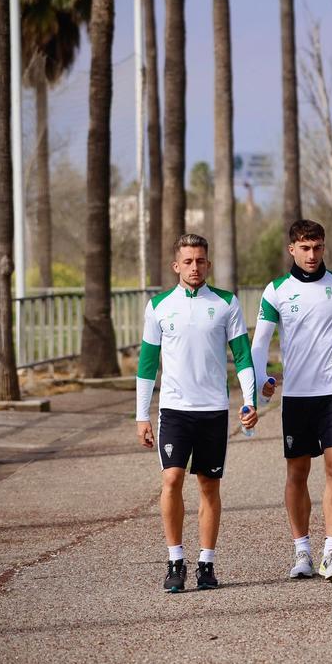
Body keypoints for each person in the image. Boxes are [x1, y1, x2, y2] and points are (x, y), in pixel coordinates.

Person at [250, 219, 332, 583]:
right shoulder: (276, 291)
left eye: (317, 247)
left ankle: (331, 551)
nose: (311, 254)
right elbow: (260, 344)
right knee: (297, 472)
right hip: (297, 397)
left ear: (324, 247)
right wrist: (262, 382)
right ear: (292, 249)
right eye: (304, 248)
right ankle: (301, 551)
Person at [135, 234, 258, 593]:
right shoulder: (158, 306)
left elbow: (243, 356)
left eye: (200, 261)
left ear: (208, 264)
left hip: (213, 410)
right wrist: (142, 415)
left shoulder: (225, 304)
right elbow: (147, 365)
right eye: (187, 261)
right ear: (176, 265)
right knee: (171, 480)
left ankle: (206, 562)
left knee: (209, 485)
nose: (194, 267)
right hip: (174, 409)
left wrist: (249, 402)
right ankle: (175, 560)